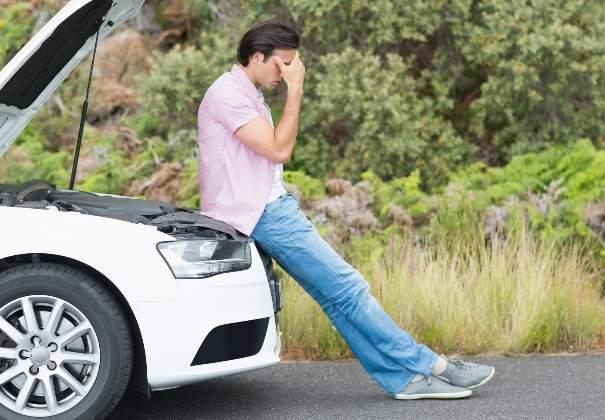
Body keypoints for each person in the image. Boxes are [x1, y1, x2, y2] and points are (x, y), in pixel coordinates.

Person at [196, 20, 495, 399]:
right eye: (282, 64)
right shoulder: (227, 94)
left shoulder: (247, 91)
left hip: (265, 207)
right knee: (349, 290)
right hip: (263, 213)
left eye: (292, 66)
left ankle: (403, 381)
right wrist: (297, 90)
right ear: (257, 56)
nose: (287, 72)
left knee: (338, 298)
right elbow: (278, 150)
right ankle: (432, 365)